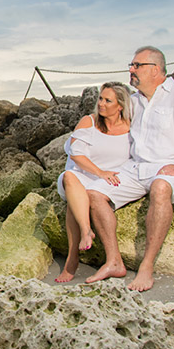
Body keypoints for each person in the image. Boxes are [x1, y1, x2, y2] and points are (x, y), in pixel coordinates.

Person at [84, 46, 174, 292]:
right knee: (94, 193)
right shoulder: (133, 101)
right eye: (131, 65)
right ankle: (114, 261)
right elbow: (110, 128)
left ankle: (146, 267)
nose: (131, 70)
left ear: (155, 70)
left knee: (160, 187)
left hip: (172, 170)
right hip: (136, 168)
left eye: (136, 65)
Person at [55, 82, 132, 283]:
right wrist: (100, 172)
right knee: (71, 179)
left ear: (120, 106)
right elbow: (77, 155)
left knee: (76, 202)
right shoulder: (89, 121)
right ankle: (86, 231)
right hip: (84, 173)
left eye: (108, 100)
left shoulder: (131, 126)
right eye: (100, 99)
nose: (101, 104)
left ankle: (72, 261)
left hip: (112, 179)